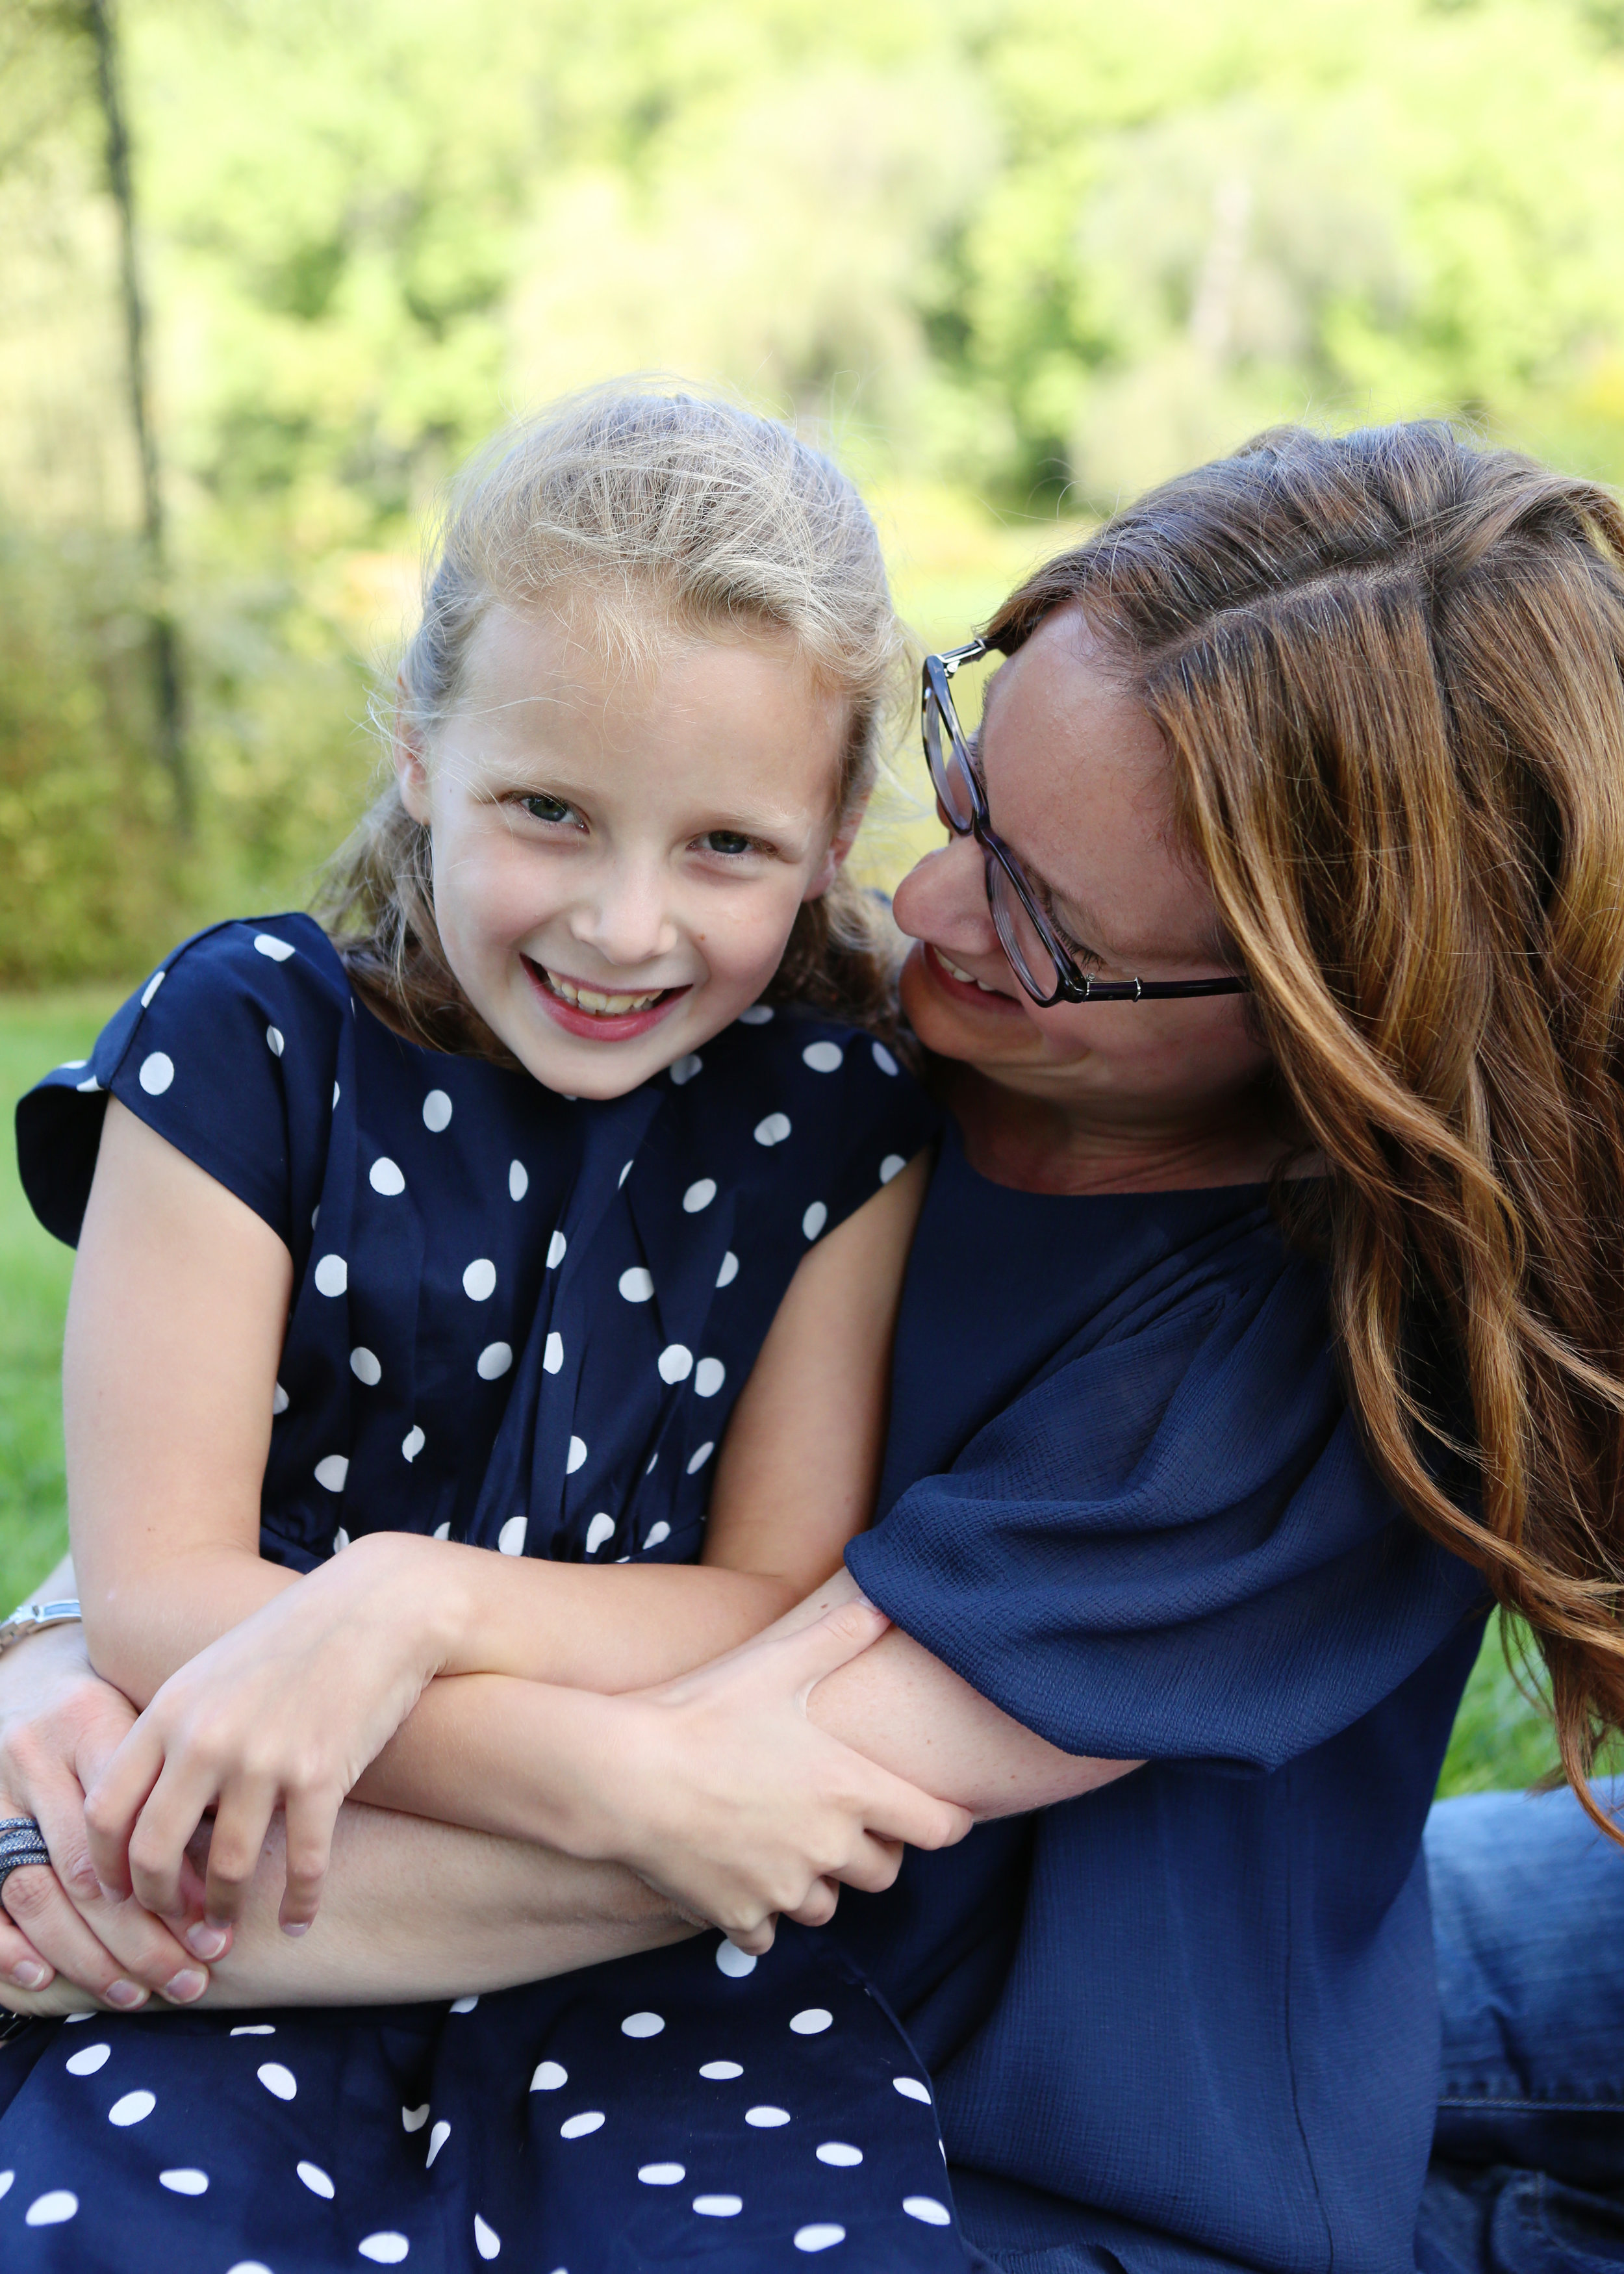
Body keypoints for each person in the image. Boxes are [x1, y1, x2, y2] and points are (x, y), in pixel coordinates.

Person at [7, 418, 1624, 2274]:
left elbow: (677, 1815)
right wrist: (72, 1639)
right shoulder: (830, 1048)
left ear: (1325, 1016)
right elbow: (337, 1425)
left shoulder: (1304, 1366)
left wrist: (54, 1877)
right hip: (630, 2044)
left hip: (1029, 2149)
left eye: (1042, 920)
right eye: (965, 800)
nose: (919, 911)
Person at [0, 381, 985, 2271]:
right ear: (418, 751)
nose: (624, 924)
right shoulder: (243, 1048)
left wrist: (412, 1601)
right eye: (549, 811)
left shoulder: (840, 1120)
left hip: (668, 1966)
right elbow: (155, 1594)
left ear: (833, 827)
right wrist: (601, 1776)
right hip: (270, 1876)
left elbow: (767, 1586)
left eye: (725, 847)